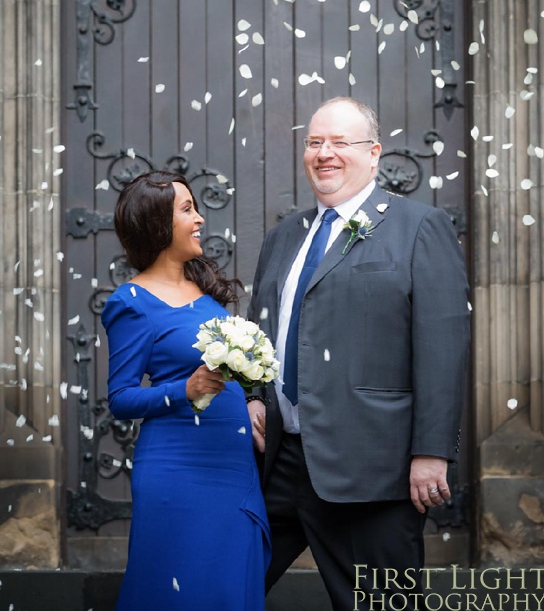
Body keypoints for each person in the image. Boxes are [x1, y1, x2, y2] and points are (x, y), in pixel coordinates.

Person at [247, 96, 470, 611]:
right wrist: (254, 395)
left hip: (375, 469)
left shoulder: (418, 226)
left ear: (373, 154)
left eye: (339, 142)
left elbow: (443, 345)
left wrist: (431, 450)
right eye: (315, 142)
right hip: (278, 463)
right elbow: (259, 331)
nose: (324, 153)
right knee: (224, 590)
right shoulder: (283, 237)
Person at [101, 171, 270, 611]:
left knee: (229, 587)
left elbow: (228, 373)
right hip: (179, 470)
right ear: (157, 223)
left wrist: (251, 400)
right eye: (187, 209)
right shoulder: (131, 302)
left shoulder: (203, 287)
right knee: (180, 590)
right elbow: (119, 398)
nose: (199, 219)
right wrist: (183, 389)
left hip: (232, 466)